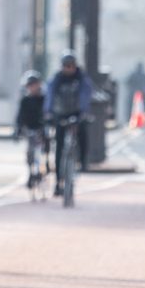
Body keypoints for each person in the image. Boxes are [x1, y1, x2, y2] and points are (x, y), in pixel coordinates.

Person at [45, 51, 92, 196]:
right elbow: (50, 95)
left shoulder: (81, 79)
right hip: (61, 114)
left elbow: (85, 94)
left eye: (71, 66)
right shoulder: (57, 79)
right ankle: (59, 181)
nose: (68, 69)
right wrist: (48, 111)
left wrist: (84, 112)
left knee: (83, 134)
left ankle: (83, 162)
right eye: (66, 66)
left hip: (77, 113)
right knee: (59, 147)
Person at [15, 70, 48, 179]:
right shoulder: (25, 100)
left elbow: (48, 113)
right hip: (29, 128)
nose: (32, 87)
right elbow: (20, 116)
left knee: (44, 147)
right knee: (30, 152)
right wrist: (18, 129)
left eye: (34, 84)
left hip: (41, 127)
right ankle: (30, 173)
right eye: (29, 85)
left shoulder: (44, 99)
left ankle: (44, 166)